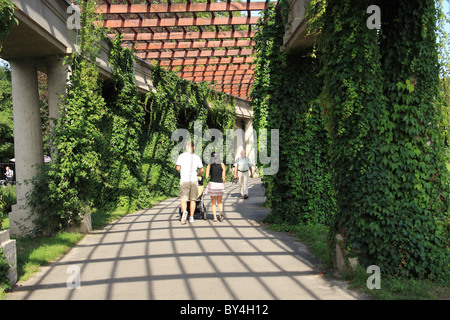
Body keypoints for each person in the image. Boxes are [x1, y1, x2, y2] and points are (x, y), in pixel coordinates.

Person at [176, 141, 204, 225]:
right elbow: (202, 170)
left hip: (184, 180)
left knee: (183, 199)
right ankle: (191, 217)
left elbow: (177, 168)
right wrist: (198, 174)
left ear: (186, 147)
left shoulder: (181, 156)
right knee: (193, 199)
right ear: (193, 147)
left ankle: (184, 211)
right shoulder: (196, 157)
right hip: (193, 180)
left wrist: (181, 168)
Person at [205, 152, 226, 222]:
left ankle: (215, 217)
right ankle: (221, 212)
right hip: (220, 184)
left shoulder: (209, 165)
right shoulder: (222, 165)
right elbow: (223, 176)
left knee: (213, 202)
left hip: (212, 184)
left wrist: (208, 173)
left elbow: (207, 176)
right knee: (219, 201)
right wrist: (223, 183)